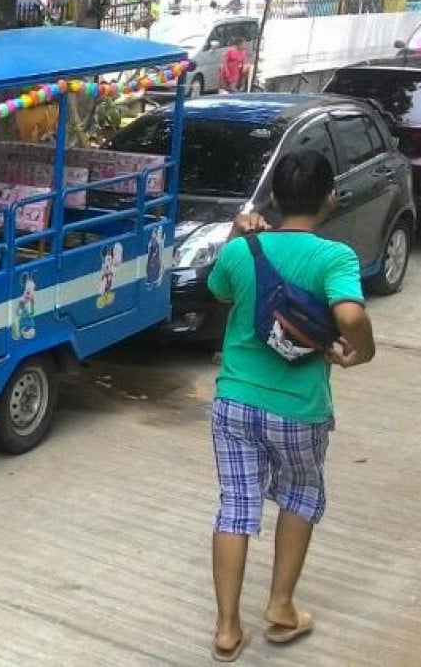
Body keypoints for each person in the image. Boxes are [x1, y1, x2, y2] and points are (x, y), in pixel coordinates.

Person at [205, 149, 376, 662]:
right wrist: (360, 353)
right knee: (299, 497)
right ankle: (280, 610)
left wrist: (239, 236)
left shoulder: (242, 250)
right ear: (330, 198)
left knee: (236, 507)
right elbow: (348, 313)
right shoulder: (334, 257)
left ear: (274, 197)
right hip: (299, 408)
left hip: (235, 400)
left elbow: (218, 293)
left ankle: (227, 630)